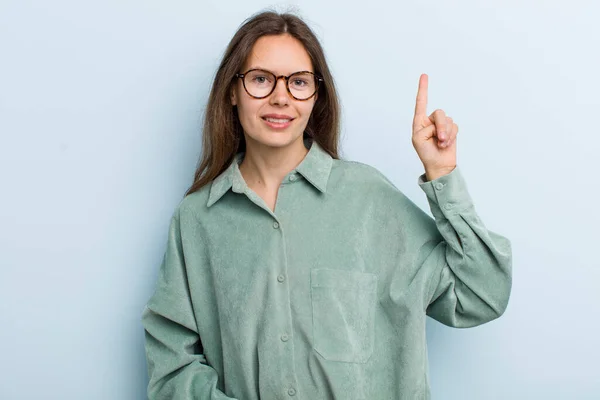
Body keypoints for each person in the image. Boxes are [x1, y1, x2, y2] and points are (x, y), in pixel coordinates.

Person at [141, 10, 512, 400]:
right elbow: (171, 366)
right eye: (261, 79)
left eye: (298, 82)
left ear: (316, 96)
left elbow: (482, 296)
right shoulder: (196, 221)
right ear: (233, 91)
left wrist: (442, 173)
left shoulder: (369, 198)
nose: (280, 97)